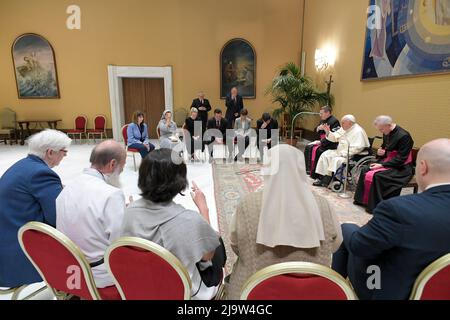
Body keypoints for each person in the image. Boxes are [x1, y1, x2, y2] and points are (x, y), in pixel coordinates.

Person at [332, 139, 450, 300]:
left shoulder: (400, 209)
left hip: (390, 290)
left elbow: (360, 247)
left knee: (348, 230)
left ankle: (333, 291)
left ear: (423, 167)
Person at [225, 144, 343, 300]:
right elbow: (335, 244)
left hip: (254, 292)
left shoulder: (248, 204)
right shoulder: (323, 204)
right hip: (311, 292)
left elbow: (235, 244)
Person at [120, 149, 221, 300]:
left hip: (143, 286)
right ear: (180, 182)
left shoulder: (129, 212)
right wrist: (203, 209)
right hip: (183, 293)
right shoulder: (191, 220)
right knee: (217, 246)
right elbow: (207, 256)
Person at [0, 130, 71, 288]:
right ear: (50, 152)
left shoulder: (23, 165)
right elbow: (58, 217)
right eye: (64, 152)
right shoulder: (41, 173)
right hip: (20, 254)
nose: (64, 157)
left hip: (6, 243)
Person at [56, 140, 127, 289]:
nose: (122, 171)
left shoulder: (67, 188)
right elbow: (120, 244)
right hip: (100, 276)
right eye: (123, 166)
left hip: (69, 270)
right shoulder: (112, 195)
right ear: (112, 164)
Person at [354, 116, 414, 213]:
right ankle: (362, 200)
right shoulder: (386, 132)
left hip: (401, 167)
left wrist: (382, 165)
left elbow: (402, 158)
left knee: (378, 176)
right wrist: (380, 152)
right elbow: (385, 148)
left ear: (388, 125)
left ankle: (377, 205)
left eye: (381, 129)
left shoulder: (404, 136)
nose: (381, 132)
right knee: (366, 169)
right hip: (388, 160)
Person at [313, 115, 370, 187]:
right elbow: (335, 138)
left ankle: (334, 179)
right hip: (339, 151)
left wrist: (344, 153)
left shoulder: (358, 131)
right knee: (325, 154)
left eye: (343, 123)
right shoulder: (344, 128)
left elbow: (358, 148)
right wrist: (328, 132)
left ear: (350, 123)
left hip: (350, 155)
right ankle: (323, 177)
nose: (341, 124)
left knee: (336, 160)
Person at [304, 106, 341, 177]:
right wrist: (318, 128)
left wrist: (321, 142)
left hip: (330, 143)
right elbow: (315, 130)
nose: (320, 115)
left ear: (328, 113)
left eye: (321, 113)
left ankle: (317, 174)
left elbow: (334, 136)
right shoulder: (322, 120)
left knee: (319, 150)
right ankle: (308, 170)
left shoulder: (335, 121)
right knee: (308, 147)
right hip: (322, 141)